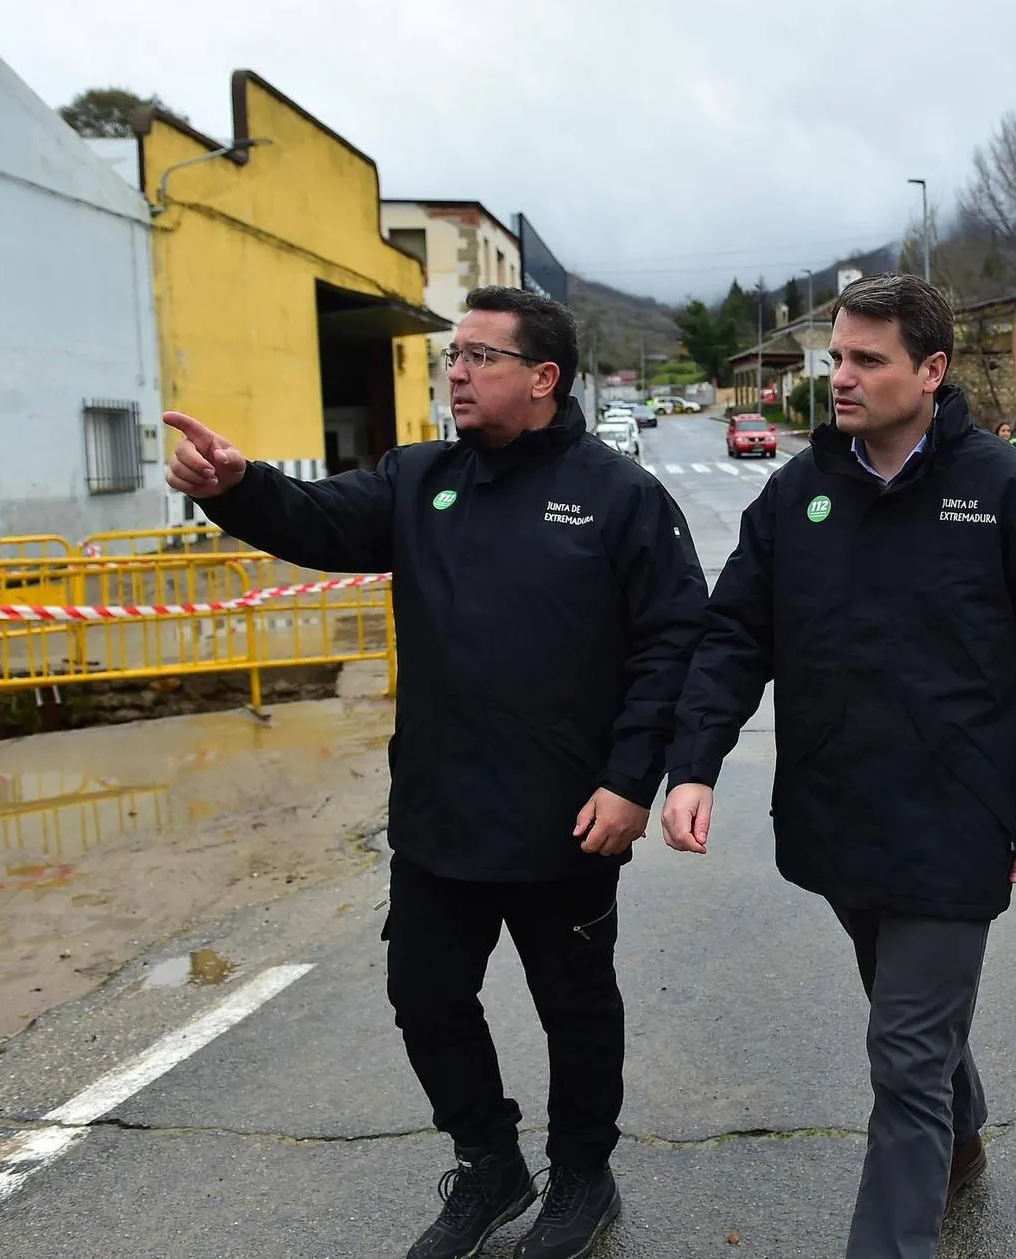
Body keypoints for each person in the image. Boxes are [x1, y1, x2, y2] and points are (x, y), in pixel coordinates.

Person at [164, 287, 706, 1259]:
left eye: (479, 357)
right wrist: (233, 486)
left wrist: (632, 781)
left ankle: (584, 1174)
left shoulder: (619, 496)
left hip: (567, 816)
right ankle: (490, 1161)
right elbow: (320, 520)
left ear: (542, 378)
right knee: (423, 993)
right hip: (438, 814)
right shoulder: (419, 479)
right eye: (450, 356)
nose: (454, 372)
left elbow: (673, 645)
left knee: (574, 1008)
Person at [659, 273, 1016, 1259]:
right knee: (906, 1013)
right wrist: (693, 762)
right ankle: (961, 1131)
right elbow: (734, 633)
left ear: (931, 370)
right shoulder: (798, 494)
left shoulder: (1003, 490)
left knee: (901, 1053)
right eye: (836, 357)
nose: (841, 377)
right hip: (836, 816)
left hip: (955, 822)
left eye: (867, 359)